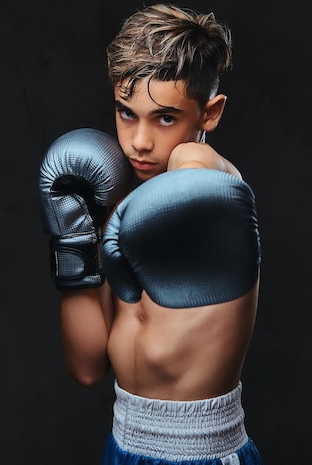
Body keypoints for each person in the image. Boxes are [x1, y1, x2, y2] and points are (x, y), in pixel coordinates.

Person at [39, 4, 263, 464]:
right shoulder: (119, 202)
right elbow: (86, 368)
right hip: (125, 444)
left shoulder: (210, 182)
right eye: (126, 114)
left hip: (197, 453)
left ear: (210, 113)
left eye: (164, 118)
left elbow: (193, 166)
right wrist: (73, 239)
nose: (140, 141)